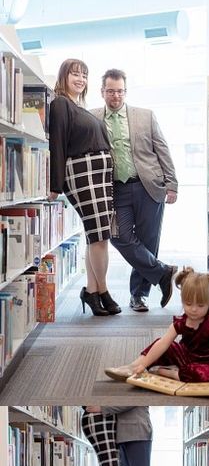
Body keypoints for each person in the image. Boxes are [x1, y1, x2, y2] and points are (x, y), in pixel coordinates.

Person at [91, 69, 178, 311]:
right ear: (102, 92)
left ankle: (138, 296)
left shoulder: (145, 116)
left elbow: (163, 150)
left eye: (119, 91)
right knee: (119, 236)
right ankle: (163, 273)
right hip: (114, 189)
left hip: (147, 185)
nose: (115, 96)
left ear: (125, 92)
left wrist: (172, 184)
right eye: (110, 91)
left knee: (148, 241)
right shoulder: (92, 117)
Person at [48, 59, 120, 318]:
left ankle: (92, 289)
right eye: (74, 74)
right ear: (63, 76)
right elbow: (57, 144)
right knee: (100, 235)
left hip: (98, 175)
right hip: (82, 173)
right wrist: (55, 185)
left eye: (84, 75)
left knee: (97, 235)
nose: (80, 78)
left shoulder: (80, 107)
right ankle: (101, 291)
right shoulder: (60, 104)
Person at [104, 268, 209, 391]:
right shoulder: (181, 321)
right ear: (182, 301)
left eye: (200, 305)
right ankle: (133, 366)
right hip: (186, 356)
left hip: (208, 362)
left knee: (205, 375)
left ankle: (170, 373)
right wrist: (143, 365)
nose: (193, 309)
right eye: (188, 304)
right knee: (162, 344)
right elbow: (163, 343)